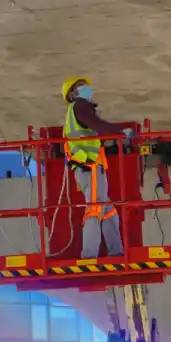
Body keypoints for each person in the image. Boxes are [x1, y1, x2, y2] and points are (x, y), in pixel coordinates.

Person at [60, 76, 133, 258]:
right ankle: (89, 256)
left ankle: (116, 251)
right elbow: (97, 125)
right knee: (95, 208)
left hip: (91, 167)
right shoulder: (80, 106)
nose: (85, 87)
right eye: (80, 86)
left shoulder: (78, 110)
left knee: (107, 210)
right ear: (72, 93)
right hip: (89, 166)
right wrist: (120, 132)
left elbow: (93, 129)